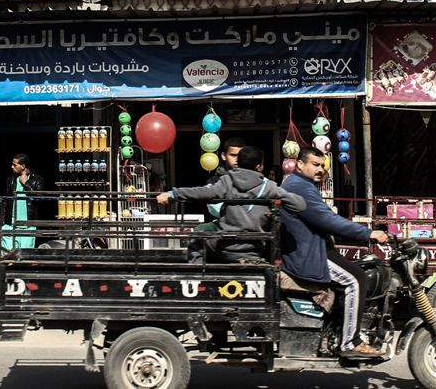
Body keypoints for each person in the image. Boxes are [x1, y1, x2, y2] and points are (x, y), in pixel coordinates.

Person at [280, 146, 389, 359]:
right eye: (315, 164)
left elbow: (326, 218)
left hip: (314, 247)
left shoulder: (302, 184)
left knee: (358, 270)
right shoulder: (299, 186)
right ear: (300, 164)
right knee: (357, 279)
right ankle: (350, 342)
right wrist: (368, 233)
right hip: (307, 254)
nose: (320, 169)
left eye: (322, 165)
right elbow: (327, 220)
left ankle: (340, 329)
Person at [156, 145, 306, 262]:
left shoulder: (227, 181)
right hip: (253, 250)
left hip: (224, 246)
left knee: (197, 240)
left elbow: (202, 192)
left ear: (238, 163)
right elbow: (300, 205)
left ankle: (198, 279)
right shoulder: (269, 187)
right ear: (259, 166)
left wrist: (174, 193)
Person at [2, 153, 44, 250]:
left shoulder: (37, 180)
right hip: (10, 225)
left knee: (25, 254)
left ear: (23, 166)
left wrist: (26, 183)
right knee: (7, 254)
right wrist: (3, 224)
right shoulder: (11, 180)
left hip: (28, 226)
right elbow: (5, 202)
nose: (12, 167)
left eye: (14, 164)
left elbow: (39, 199)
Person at [205, 136, 245, 219]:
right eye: (233, 155)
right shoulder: (214, 181)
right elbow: (216, 209)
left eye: (241, 156)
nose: (237, 159)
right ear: (223, 156)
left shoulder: (252, 178)